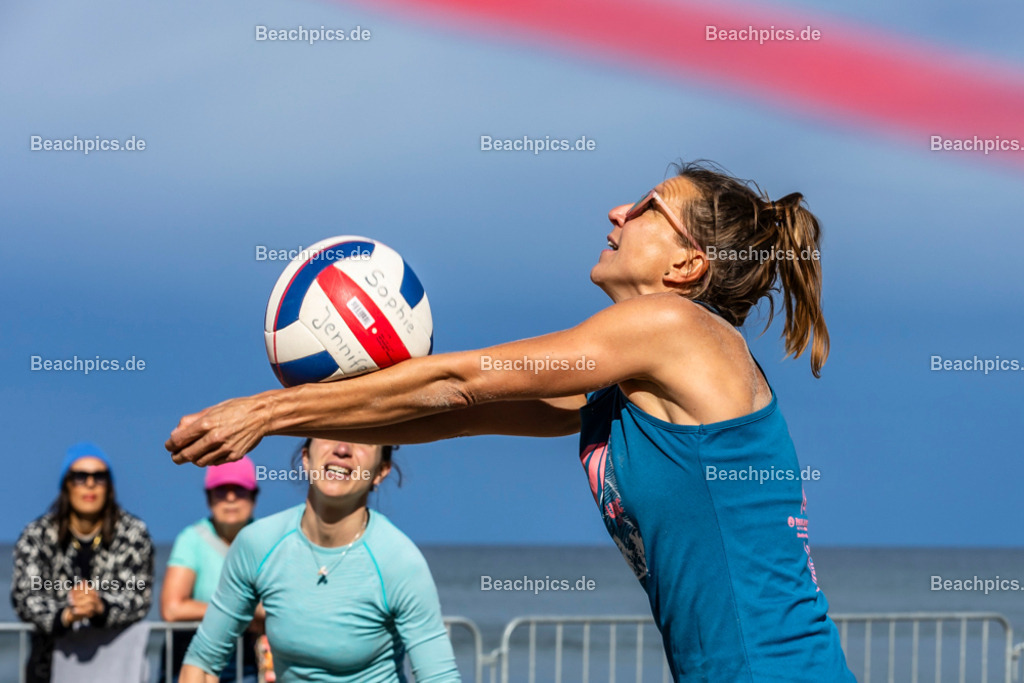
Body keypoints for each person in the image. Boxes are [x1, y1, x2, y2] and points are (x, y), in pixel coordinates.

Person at [166, 160, 855, 680]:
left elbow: (463, 379)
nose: (618, 210)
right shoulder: (631, 385)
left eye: (648, 207)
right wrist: (295, 419)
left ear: (687, 263)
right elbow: (453, 412)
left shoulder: (677, 327)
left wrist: (265, 408)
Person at [177, 439, 459, 682]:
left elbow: (440, 677)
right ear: (306, 457)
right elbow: (202, 661)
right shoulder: (258, 544)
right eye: (329, 432)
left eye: (364, 438)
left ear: (381, 471)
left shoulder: (399, 563)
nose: (342, 448)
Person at [11, 441, 154, 683]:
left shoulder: (133, 532)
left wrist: (100, 607)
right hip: (47, 666)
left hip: (116, 668)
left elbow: (139, 595)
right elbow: (24, 595)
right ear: (66, 485)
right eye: (80, 476)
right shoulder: (37, 534)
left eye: (99, 476)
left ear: (110, 486)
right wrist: (66, 614)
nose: (90, 483)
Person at [161, 457, 263, 682]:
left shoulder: (266, 539)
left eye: (239, 490)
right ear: (208, 498)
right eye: (220, 490)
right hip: (190, 657)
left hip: (249, 664)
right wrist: (240, 612)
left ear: (254, 496)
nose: (230, 498)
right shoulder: (191, 539)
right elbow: (172, 609)